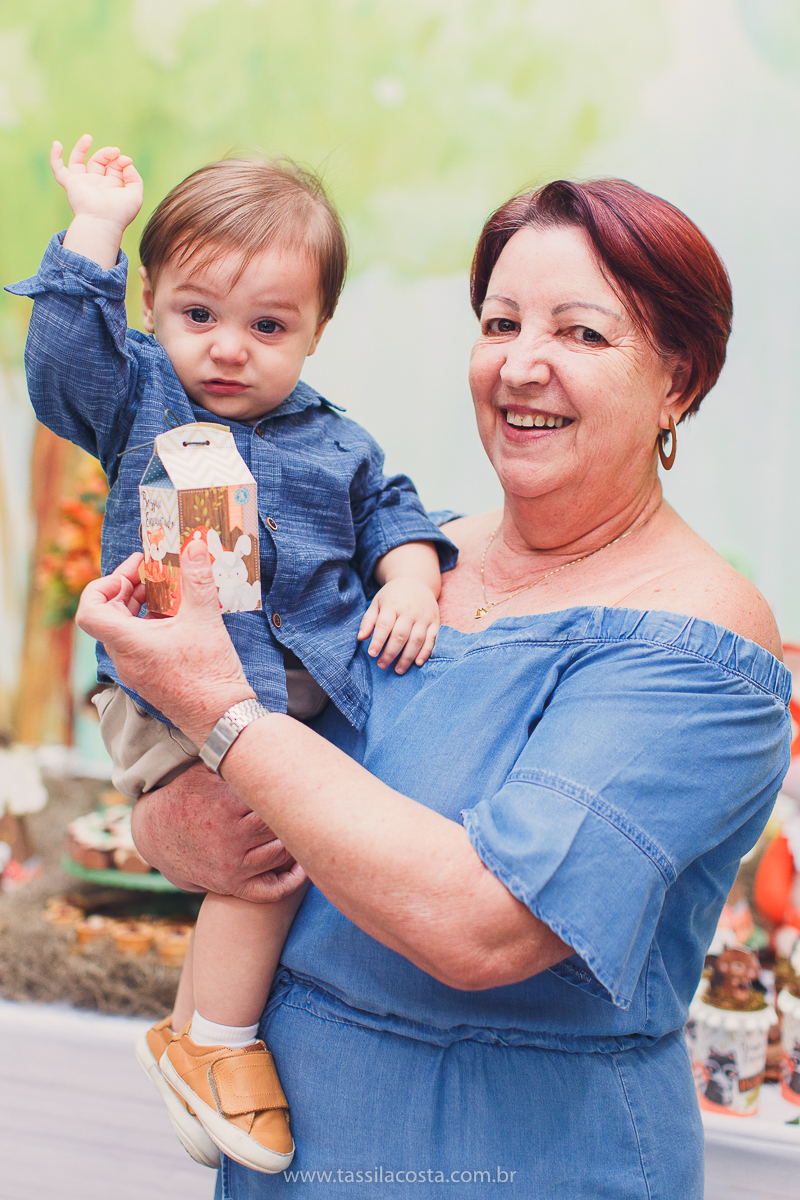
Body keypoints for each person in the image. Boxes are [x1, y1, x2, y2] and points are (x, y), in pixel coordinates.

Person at [77, 178, 791, 1199]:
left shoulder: (700, 640)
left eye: (580, 334)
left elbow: (479, 923)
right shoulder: (416, 560)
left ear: (677, 380)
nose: (520, 364)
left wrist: (216, 710)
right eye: (499, 323)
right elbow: (268, 785)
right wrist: (165, 829)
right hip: (282, 1151)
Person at [7, 136, 457, 1174]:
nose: (226, 348)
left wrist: (409, 577)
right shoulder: (139, 399)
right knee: (257, 853)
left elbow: (392, 514)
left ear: (315, 331)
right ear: (153, 302)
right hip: (170, 689)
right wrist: (94, 234)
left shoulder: (336, 441)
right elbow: (62, 367)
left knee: (312, 843)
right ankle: (214, 1044)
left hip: (295, 695)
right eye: (196, 315)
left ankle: (213, 1023)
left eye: (267, 326)